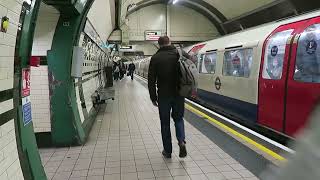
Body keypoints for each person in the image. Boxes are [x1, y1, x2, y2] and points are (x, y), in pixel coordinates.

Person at [148, 36, 188, 158]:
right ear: (169, 42)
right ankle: (181, 141)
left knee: (165, 123)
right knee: (179, 119)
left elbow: (151, 80)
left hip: (163, 95)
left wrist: (153, 97)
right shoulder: (178, 54)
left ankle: (168, 151)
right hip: (179, 93)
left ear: (159, 45)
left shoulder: (155, 58)